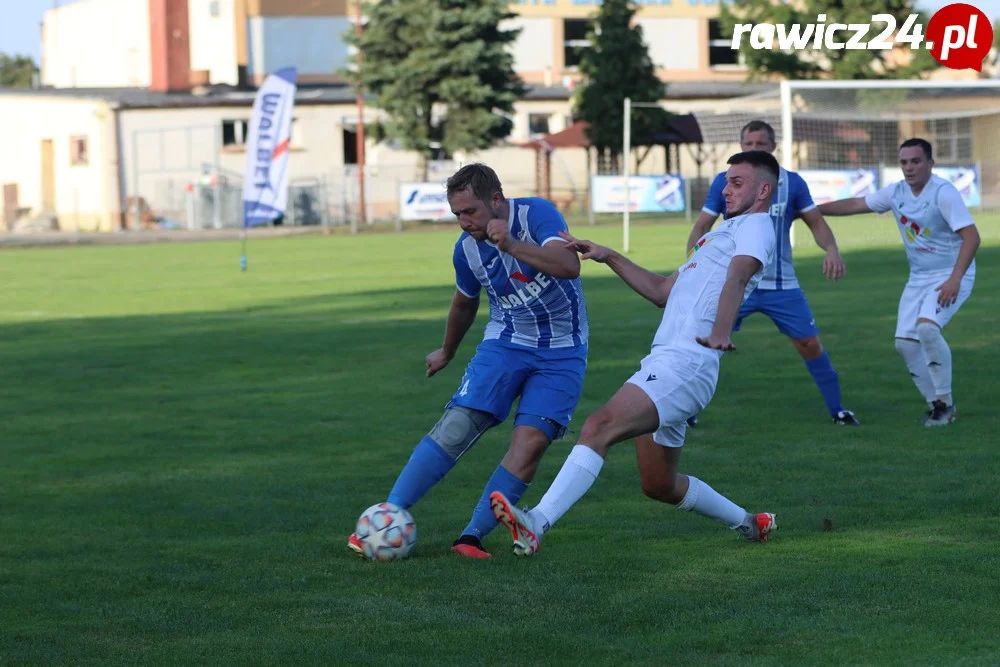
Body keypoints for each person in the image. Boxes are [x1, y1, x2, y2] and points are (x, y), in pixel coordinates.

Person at [489, 151, 781, 557]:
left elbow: (739, 275)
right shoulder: (719, 235)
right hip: (673, 361)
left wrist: (719, 331)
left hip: (687, 362)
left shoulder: (756, 227)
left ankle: (537, 521)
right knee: (659, 484)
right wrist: (608, 256)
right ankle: (751, 523)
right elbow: (662, 292)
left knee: (598, 426)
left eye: (737, 183)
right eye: (726, 181)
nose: (726, 191)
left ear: (763, 190)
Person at [348, 163, 590, 559]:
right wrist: (447, 351)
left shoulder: (538, 215)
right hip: (505, 343)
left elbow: (569, 266)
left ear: (496, 199)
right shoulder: (467, 250)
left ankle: (471, 537)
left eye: (470, 212)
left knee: (530, 444)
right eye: (457, 214)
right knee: (457, 427)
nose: (464, 222)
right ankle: (385, 517)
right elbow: (465, 302)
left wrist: (511, 244)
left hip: (563, 351)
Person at [685, 120, 858, 427]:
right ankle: (686, 412)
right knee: (708, 343)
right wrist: (692, 262)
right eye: (749, 144)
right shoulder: (724, 182)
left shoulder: (793, 183)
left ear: (773, 147)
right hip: (735, 283)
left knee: (810, 344)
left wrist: (831, 249)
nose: (755, 149)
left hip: (782, 285)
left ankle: (839, 410)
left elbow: (816, 222)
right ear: (741, 147)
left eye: (761, 144)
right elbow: (702, 226)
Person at [818, 138, 979, 426]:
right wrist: (811, 210)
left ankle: (946, 404)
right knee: (905, 344)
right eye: (904, 162)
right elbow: (856, 203)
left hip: (952, 273)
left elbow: (972, 237)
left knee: (927, 329)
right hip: (919, 277)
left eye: (916, 161)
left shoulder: (944, 192)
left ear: (931, 163)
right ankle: (937, 406)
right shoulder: (897, 192)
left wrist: (955, 279)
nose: (909, 167)